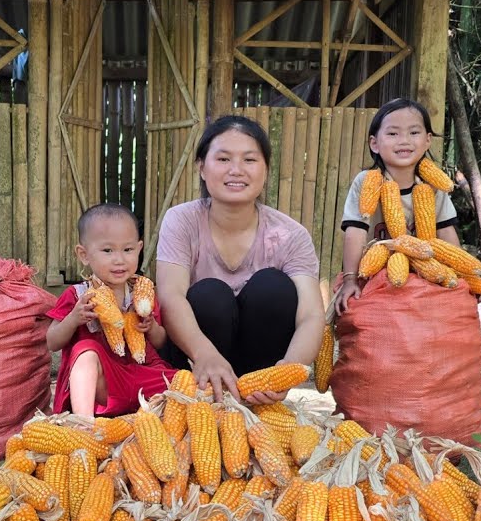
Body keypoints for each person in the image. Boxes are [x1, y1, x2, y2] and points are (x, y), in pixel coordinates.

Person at [156, 115, 325, 405]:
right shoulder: (181, 220)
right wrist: (204, 353)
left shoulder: (290, 234)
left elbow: (311, 314)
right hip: (194, 361)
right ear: (201, 168)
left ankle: (255, 402)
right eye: (223, 159)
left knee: (273, 288)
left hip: (259, 373)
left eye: (249, 160)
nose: (236, 170)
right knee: (210, 294)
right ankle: (206, 398)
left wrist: (290, 368)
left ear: (266, 170)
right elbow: (170, 297)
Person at [46, 203, 176, 417]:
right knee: (86, 350)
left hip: (141, 373)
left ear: (139, 248)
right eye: (107, 250)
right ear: (84, 254)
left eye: (128, 250)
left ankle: (147, 414)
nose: (119, 260)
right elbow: (52, 342)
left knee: (185, 383)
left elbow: (161, 342)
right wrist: (73, 319)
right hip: (104, 383)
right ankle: (84, 422)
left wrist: (151, 327)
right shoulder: (78, 295)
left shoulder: (142, 292)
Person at [335, 98, 461, 312]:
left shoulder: (433, 186)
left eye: (414, 133)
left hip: (424, 273)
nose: (404, 140)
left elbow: (447, 233)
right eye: (393, 134)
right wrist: (350, 280)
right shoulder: (366, 182)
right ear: (374, 143)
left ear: (428, 140)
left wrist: (460, 273)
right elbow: (355, 232)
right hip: (376, 272)